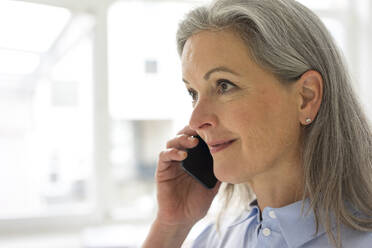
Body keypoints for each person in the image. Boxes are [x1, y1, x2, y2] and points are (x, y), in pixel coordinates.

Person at [142, 0, 372, 247]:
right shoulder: (215, 240)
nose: (196, 120)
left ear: (306, 96)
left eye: (224, 85)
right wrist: (171, 227)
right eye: (193, 93)